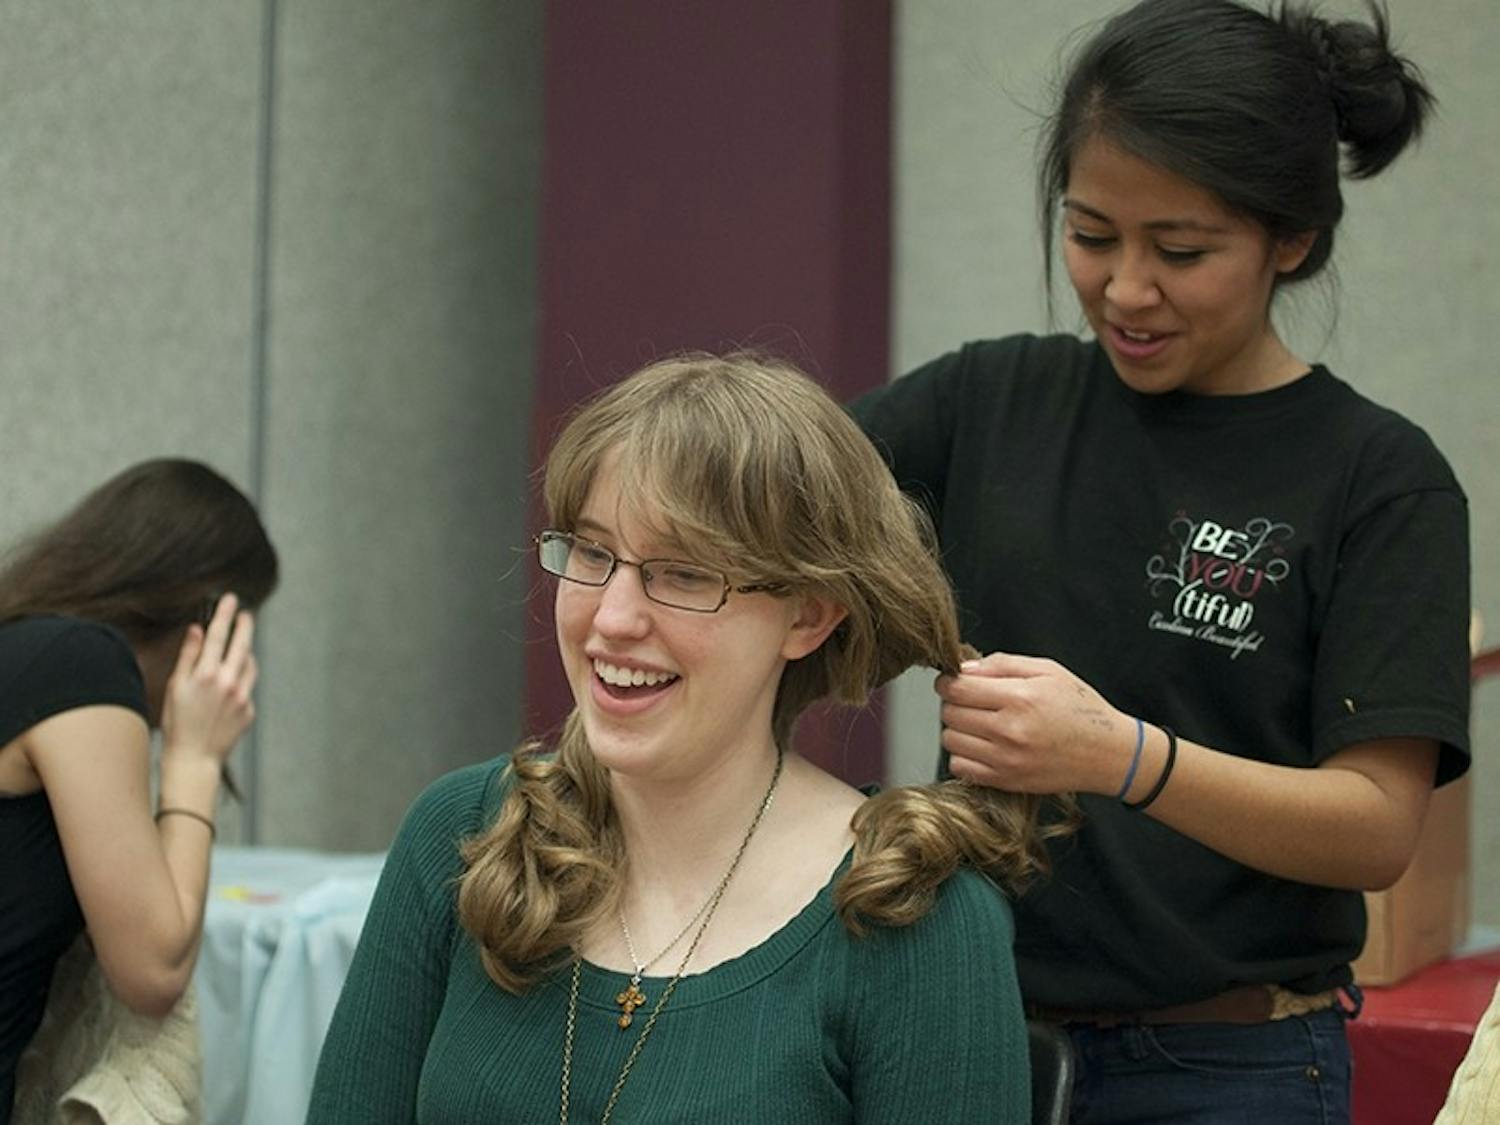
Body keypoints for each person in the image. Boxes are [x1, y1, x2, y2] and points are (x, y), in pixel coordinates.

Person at [851, 0, 1471, 1121]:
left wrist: (1120, 757)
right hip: (968, 1038)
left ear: (1292, 240)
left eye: (1180, 251)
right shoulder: (987, 400)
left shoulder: (1381, 481)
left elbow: (1377, 827)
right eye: (1091, 236)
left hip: (1229, 1068)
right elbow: (766, 491)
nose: (1127, 289)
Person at [307, 354, 1066, 1123]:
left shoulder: (915, 918)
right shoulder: (464, 833)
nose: (612, 618)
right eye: (594, 553)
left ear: (808, 615)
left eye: (684, 574)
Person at [0, 458, 278, 1123]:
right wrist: (194, 756)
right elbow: (153, 967)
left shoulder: (29, 650)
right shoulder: (81, 661)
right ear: (210, 618)